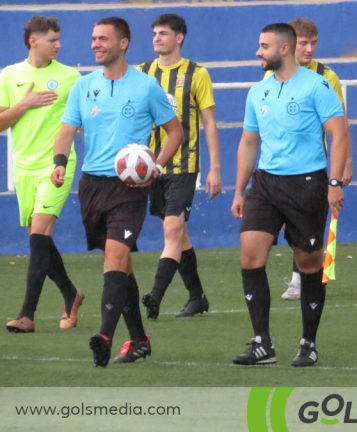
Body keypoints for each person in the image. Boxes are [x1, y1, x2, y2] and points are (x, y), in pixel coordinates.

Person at [51, 17, 182, 367]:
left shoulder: (146, 87)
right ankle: (139, 339)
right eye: (93, 38)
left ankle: (105, 336)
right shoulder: (83, 86)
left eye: (103, 39)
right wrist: (60, 161)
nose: (95, 44)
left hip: (129, 188)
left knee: (115, 257)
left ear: (123, 43)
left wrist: (155, 167)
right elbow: (66, 130)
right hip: (92, 185)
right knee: (120, 266)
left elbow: (174, 132)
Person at [230, 23, 348, 367]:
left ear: (284, 49)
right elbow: (249, 141)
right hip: (265, 184)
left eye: (263, 46)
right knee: (250, 255)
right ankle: (262, 343)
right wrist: (239, 189)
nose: (258, 52)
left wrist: (335, 183)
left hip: (307, 184)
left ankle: (308, 343)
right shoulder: (258, 91)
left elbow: (339, 135)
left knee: (310, 262)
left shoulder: (317, 86)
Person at [1, 16, 83, 333]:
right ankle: (70, 294)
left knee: (38, 234)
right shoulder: (9, 75)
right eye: (52, 40)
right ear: (33, 41)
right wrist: (25, 104)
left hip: (57, 164)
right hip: (24, 168)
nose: (59, 45)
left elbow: (82, 120)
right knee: (40, 241)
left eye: (59, 39)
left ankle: (26, 315)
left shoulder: (71, 76)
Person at [137, 13, 222, 319]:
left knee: (172, 228)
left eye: (163, 33)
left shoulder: (197, 74)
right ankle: (197, 296)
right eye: (154, 33)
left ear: (179, 37)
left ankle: (155, 296)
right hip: (151, 167)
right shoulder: (143, 72)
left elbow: (210, 122)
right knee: (178, 234)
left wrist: (214, 168)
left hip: (185, 165)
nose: (156, 38)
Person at [279, 17, 353, 301]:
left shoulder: (327, 76)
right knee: (287, 222)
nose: (309, 49)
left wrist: (346, 163)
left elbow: (341, 124)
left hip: (315, 165)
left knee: (306, 222)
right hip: (282, 165)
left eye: (313, 43)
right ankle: (302, 275)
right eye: (304, 43)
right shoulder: (274, 74)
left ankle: (300, 278)